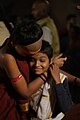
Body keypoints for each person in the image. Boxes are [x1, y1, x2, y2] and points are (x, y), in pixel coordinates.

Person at [0, 19, 49, 120]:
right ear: (14, 44)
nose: (36, 63)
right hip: (7, 102)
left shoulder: (26, 43)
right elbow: (25, 92)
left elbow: (50, 66)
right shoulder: (8, 57)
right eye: (29, 55)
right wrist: (46, 74)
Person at [28, 40, 72, 120]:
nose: (37, 65)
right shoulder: (29, 77)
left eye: (42, 60)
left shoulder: (61, 79)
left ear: (51, 60)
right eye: (32, 60)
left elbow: (67, 108)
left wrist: (57, 82)